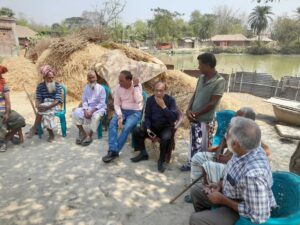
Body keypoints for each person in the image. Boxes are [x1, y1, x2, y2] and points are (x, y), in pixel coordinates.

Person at [189, 117, 276, 225]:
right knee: (196, 191)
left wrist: (223, 200)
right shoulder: (244, 149)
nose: (225, 138)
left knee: (195, 219)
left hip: (244, 212)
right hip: (233, 195)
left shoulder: (254, 176)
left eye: (227, 136)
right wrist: (220, 184)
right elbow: (233, 177)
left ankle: (204, 220)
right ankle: (208, 218)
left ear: (235, 143)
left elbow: (258, 215)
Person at [190, 107, 272, 186]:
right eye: (235, 115)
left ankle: (209, 190)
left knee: (207, 166)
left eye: (238, 117)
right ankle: (198, 187)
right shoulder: (235, 128)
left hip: (234, 169)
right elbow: (225, 138)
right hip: (225, 159)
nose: (234, 118)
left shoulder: (251, 136)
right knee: (197, 157)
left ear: (248, 121)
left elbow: (244, 160)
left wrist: (226, 159)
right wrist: (218, 152)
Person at [181, 53, 225, 171]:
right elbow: (195, 95)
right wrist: (188, 110)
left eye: (200, 64)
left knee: (203, 145)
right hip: (194, 118)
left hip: (205, 120)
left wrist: (196, 114)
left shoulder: (219, 81)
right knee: (193, 142)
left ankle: (200, 167)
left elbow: (212, 103)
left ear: (208, 65)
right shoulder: (201, 78)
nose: (198, 67)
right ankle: (191, 163)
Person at [131, 81, 178, 172]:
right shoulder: (150, 99)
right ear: (154, 90)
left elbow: (173, 118)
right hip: (152, 126)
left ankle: (161, 160)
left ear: (165, 91)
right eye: (157, 91)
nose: (158, 93)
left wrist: (163, 106)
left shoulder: (170, 100)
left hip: (165, 126)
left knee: (166, 138)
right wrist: (148, 127)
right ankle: (143, 153)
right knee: (137, 130)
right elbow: (147, 116)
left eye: (161, 91)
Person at [102, 70, 143, 163]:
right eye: (119, 80)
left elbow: (139, 100)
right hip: (123, 111)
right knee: (112, 123)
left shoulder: (136, 86)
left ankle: (113, 151)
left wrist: (136, 86)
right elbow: (116, 104)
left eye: (121, 81)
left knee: (127, 127)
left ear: (129, 80)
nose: (119, 83)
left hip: (135, 112)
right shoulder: (118, 88)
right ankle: (113, 150)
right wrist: (120, 115)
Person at [26, 65, 62, 142]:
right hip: (45, 107)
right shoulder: (40, 86)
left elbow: (57, 101)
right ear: (44, 78)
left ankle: (34, 128)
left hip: (55, 105)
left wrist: (47, 107)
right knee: (44, 110)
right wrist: (37, 105)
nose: (51, 79)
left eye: (52, 77)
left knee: (43, 110)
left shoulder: (57, 85)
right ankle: (51, 134)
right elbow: (38, 99)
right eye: (49, 78)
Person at [72, 70, 107, 146]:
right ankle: (84, 134)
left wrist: (92, 111)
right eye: (90, 78)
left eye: (93, 77)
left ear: (96, 78)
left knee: (96, 116)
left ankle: (90, 136)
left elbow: (102, 103)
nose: (91, 80)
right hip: (88, 108)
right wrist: (85, 110)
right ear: (87, 79)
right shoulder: (86, 88)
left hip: (98, 108)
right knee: (75, 113)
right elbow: (84, 101)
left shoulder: (101, 88)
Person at [0, 66, 26, 152]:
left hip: (3, 111)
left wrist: (7, 113)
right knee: (2, 125)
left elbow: (7, 100)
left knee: (20, 120)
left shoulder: (4, 85)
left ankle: (6, 139)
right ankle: (2, 142)